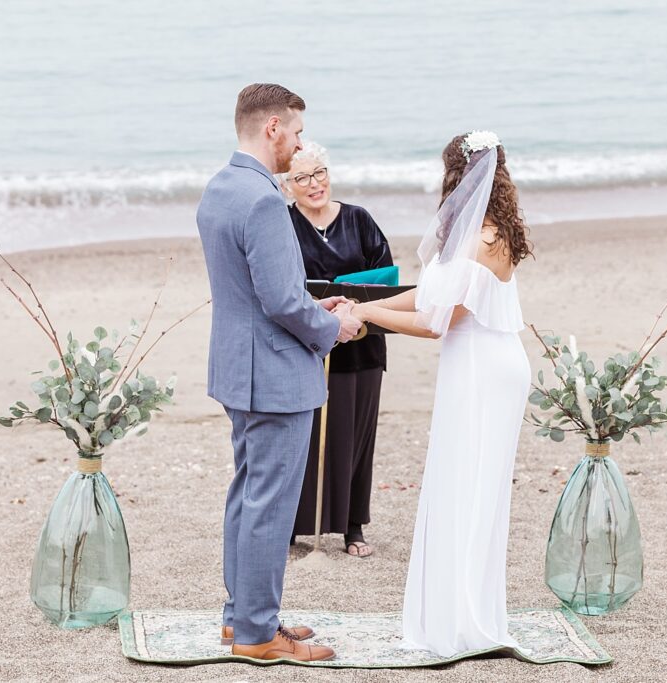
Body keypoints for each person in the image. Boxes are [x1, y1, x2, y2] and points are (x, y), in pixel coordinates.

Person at [347, 131, 533, 657]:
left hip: (481, 369)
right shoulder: (492, 228)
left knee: (467, 488)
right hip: (490, 364)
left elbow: (437, 322)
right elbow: (432, 294)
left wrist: (364, 315)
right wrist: (369, 299)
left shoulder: (479, 238)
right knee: (468, 487)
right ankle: (460, 613)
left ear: (455, 175)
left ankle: (464, 623)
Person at [196, 83, 361, 662]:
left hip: (238, 370)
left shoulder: (221, 187)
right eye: (294, 130)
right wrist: (332, 327)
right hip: (273, 375)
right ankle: (259, 635)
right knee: (269, 505)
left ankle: (237, 619)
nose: (298, 143)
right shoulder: (265, 200)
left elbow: (253, 292)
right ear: (271, 128)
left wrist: (315, 310)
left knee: (247, 495)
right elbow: (283, 302)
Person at [283, 141, 394, 558]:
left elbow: (385, 276)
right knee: (304, 439)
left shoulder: (359, 219)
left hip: (362, 345)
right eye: (302, 178)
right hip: (306, 347)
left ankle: (352, 527)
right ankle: (293, 527)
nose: (315, 184)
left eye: (320, 173)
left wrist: (357, 307)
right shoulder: (283, 224)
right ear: (286, 187)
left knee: (357, 437)